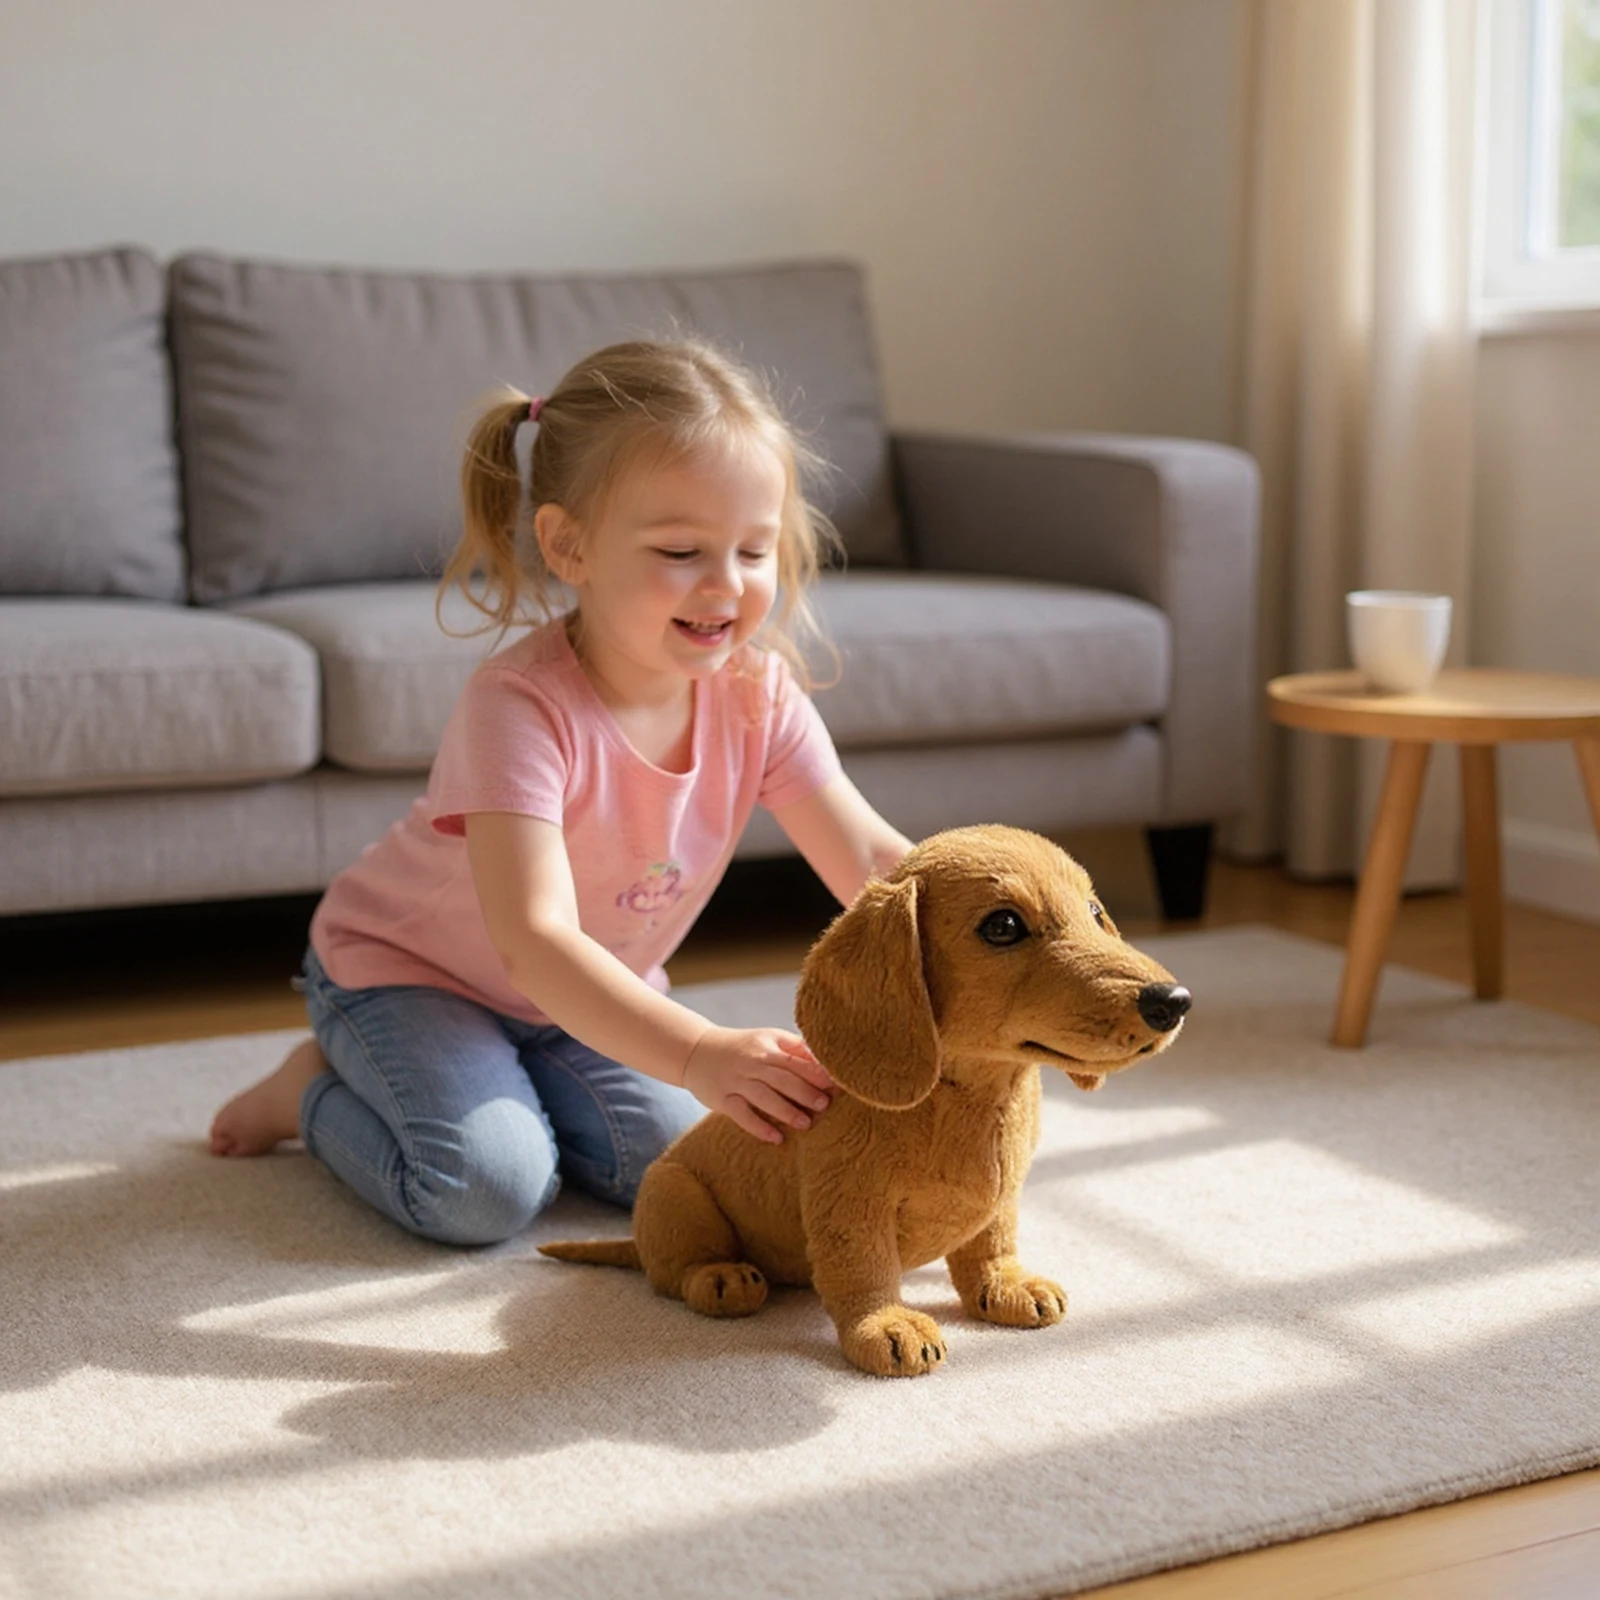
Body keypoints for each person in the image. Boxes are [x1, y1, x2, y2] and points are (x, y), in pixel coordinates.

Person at [208, 339, 915, 1246]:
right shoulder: (521, 706)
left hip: (588, 998)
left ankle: (510, 1080)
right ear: (568, 545)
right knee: (486, 1190)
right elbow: (536, 941)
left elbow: (868, 857)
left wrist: (984, 939)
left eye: (753, 549)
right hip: (413, 977)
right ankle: (308, 1087)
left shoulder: (757, 693)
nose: (725, 585)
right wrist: (697, 1051)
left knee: (688, 1167)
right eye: (681, 549)